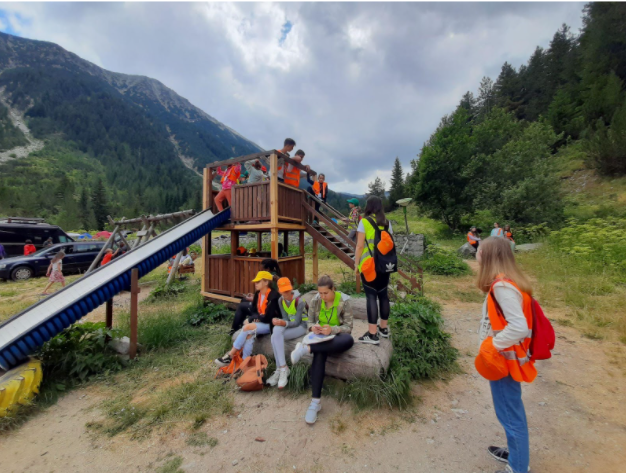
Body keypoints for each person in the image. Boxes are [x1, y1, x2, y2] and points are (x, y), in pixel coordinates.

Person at [476, 237, 536, 473]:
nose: (476, 254)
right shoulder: (507, 282)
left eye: (480, 251)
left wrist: (493, 345)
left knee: (510, 414)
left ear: (489, 255)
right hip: (506, 357)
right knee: (511, 410)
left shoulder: (501, 286)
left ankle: (517, 467)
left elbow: (518, 327)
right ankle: (516, 455)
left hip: (503, 360)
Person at [290, 275, 354, 424]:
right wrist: (314, 327)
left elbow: (348, 328)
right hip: (320, 339)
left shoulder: (345, 301)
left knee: (348, 340)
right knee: (320, 353)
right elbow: (310, 322)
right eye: (320, 293)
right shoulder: (316, 299)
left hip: (337, 338)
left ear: (333, 289)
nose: (323, 296)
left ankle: (307, 349)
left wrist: (332, 329)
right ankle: (315, 402)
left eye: (326, 293)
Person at [215, 271, 281, 366]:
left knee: (247, 328)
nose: (255, 284)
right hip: (262, 322)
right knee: (249, 335)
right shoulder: (258, 294)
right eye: (255, 281)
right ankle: (244, 363)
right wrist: (255, 317)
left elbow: (269, 317)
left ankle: (230, 355)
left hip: (271, 324)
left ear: (266, 282)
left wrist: (252, 319)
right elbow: (254, 311)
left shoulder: (273, 296)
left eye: (258, 281)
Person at [353, 196, 392, 345]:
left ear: (368, 206)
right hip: (385, 265)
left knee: (371, 296)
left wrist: (356, 264)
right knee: (383, 295)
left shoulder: (364, 222)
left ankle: (372, 334)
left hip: (369, 265)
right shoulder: (387, 222)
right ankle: (383, 329)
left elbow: (359, 246)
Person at [266, 278, 308, 389]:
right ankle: (281, 368)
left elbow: (297, 322)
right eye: (283, 291)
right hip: (291, 326)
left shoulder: (300, 301)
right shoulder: (281, 301)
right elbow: (285, 318)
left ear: (291, 288)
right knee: (275, 332)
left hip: (302, 327)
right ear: (279, 291)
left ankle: (281, 369)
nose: (286, 293)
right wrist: (280, 322)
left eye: (287, 290)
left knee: (276, 335)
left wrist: (283, 323)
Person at [230, 259, 282, 334]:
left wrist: (253, 299)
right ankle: (242, 324)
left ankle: (235, 329)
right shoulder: (274, 276)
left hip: (267, 311)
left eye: (261, 269)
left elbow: (268, 298)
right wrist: (254, 296)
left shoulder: (271, 279)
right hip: (265, 307)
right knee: (244, 301)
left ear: (267, 269)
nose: (260, 270)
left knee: (242, 305)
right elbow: (264, 294)